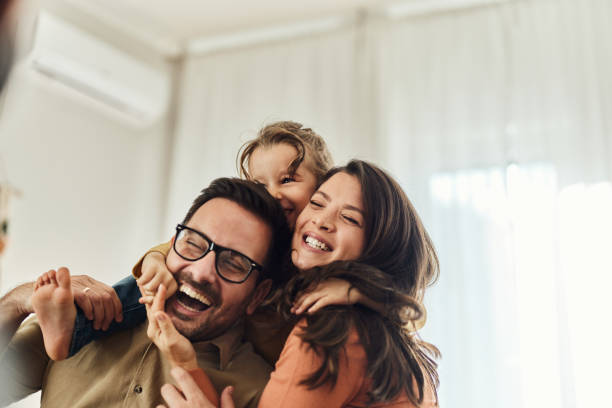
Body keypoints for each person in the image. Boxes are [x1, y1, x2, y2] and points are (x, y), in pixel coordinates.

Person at [151, 160, 440, 408]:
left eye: (350, 218)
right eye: (316, 203)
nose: (321, 221)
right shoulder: (382, 332)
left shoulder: (331, 333)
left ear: (378, 246)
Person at [0, 177, 291, 408]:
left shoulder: (261, 392)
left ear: (257, 294)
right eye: (194, 243)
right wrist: (18, 302)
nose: (201, 271)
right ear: (173, 243)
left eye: (235, 263)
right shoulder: (80, 320)